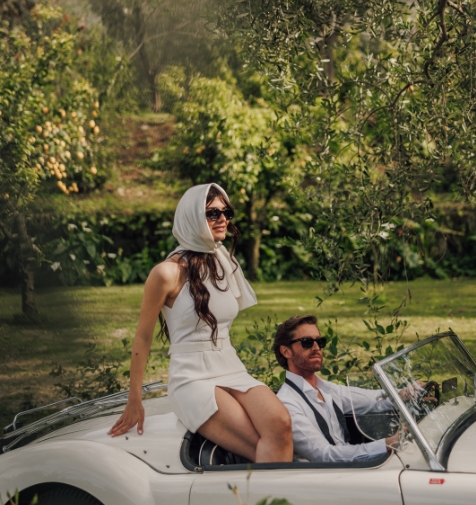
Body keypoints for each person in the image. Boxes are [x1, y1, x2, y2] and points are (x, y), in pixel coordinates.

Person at [109, 183, 293, 463]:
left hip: (231, 367)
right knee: (258, 445)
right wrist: (135, 399)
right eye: (212, 213)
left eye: (226, 212)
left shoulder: (224, 263)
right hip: (191, 377)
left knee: (281, 425)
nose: (223, 219)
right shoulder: (166, 273)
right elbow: (143, 338)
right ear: (192, 217)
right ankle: (266, 504)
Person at [273, 315, 401, 466]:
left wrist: (407, 393)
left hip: (350, 469)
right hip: (322, 479)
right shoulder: (287, 403)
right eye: (307, 342)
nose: (316, 348)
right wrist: (386, 443)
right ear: (286, 351)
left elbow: (375, 400)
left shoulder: (327, 389)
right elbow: (324, 456)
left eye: (320, 342)